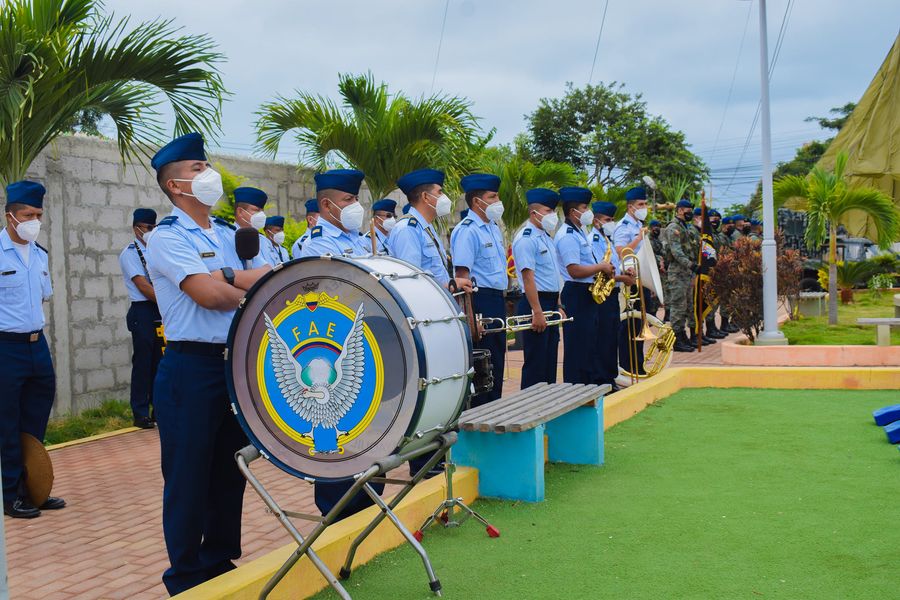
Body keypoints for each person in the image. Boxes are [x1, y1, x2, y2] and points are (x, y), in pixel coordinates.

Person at [146, 132, 271, 595]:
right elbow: (209, 295)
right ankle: (184, 575)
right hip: (190, 368)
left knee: (228, 470)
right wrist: (242, 285)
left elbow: (266, 277)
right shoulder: (166, 237)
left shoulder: (227, 234)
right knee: (188, 474)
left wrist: (231, 278)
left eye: (206, 166)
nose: (208, 174)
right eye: (197, 169)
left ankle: (218, 560)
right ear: (175, 185)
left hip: (233, 363)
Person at [295, 169, 387, 518]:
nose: (355, 206)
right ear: (327, 205)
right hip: (335, 348)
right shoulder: (318, 244)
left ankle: (369, 499)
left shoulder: (361, 240)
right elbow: (332, 294)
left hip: (370, 342)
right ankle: (337, 511)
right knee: (339, 428)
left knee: (370, 425)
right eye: (348, 200)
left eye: (356, 199)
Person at [1, 180, 66, 519]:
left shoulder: (40, 254)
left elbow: (40, 300)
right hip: (5, 348)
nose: (35, 221)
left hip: (36, 345)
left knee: (35, 420)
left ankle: (34, 489)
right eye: (28, 215)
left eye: (38, 215)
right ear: (10, 216)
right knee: (7, 423)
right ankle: (10, 495)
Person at [450, 173, 508, 406]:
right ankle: (481, 416)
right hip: (479, 299)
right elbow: (462, 276)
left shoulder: (492, 228)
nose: (498, 202)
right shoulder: (468, 230)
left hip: (496, 299)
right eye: (492, 197)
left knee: (496, 362)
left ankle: (495, 410)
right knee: (483, 365)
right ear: (477, 201)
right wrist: (471, 316)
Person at [554, 187, 614, 384]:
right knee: (578, 347)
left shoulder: (580, 232)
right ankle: (577, 388)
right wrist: (601, 267)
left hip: (586, 293)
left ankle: (589, 386)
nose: (588, 212)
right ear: (573, 212)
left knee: (589, 345)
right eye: (584, 207)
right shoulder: (568, 235)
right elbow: (574, 270)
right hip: (576, 293)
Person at [511, 188, 562, 389]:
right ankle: (531, 405)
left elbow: (552, 275)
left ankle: (549, 402)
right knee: (536, 363)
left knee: (549, 360)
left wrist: (558, 305)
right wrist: (537, 311)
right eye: (548, 211)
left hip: (550, 301)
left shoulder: (546, 237)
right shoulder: (526, 239)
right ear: (534, 213)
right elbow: (528, 278)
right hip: (536, 302)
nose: (553, 215)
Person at [391, 168, 471, 292]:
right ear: (425, 197)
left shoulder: (426, 227)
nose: (444, 197)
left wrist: (452, 285)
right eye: (440, 192)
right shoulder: (407, 230)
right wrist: (451, 285)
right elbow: (411, 282)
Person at [118, 208, 164, 429]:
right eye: (148, 227)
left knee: (160, 362)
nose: (151, 231)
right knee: (143, 363)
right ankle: (140, 412)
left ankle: (158, 410)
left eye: (154, 227)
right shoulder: (130, 253)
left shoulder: (157, 251)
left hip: (160, 310)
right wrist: (167, 301)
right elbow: (143, 286)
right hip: (143, 310)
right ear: (136, 228)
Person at [592, 201, 635, 387]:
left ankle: (610, 379)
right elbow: (600, 273)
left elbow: (613, 267)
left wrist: (626, 272)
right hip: (603, 295)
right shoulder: (594, 240)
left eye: (612, 220)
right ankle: (602, 380)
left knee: (611, 338)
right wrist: (622, 278)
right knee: (603, 339)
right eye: (608, 220)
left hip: (612, 292)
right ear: (596, 221)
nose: (611, 223)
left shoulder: (607, 239)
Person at [613, 187, 651, 373]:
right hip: (629, 281)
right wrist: (638, 238)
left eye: (645, 204)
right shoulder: (624, 226)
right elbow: (620, 251)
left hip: (640, 279)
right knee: (628, 326)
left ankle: (638, 364)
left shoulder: (638, 225)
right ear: (630, 207)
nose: (644, 207)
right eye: (640, 204)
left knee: (639, 326)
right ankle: (628, 366)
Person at [663, 200, 698, 353]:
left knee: (687, 306)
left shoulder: (686, 227)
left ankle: (682, 335)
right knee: (678, 306)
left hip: (687, 273)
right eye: (687, 210)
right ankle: (676, 339)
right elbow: (676, 252)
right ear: (679, 210)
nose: (690, 212)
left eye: (691, 210)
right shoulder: (673, 227)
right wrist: (691, 265)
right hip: (677, 272)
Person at [648, 219, 667, 320]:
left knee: (659, 293)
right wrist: (660, 260)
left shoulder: (657, 239)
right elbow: (650, 254)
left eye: (659, 227)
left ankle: (654, 316)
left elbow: (662, 252)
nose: (657, 229)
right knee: (653, 294)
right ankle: (651, 316)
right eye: (655, 227)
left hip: (659, 270)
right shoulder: (648, 240)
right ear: (650, 228)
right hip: (652, 269)